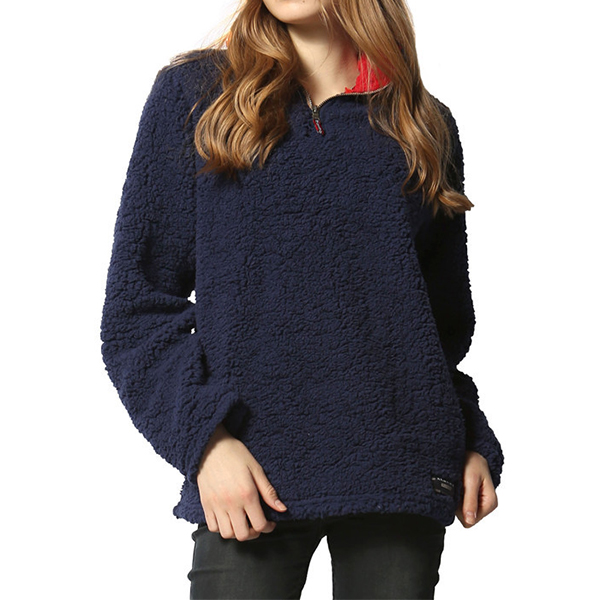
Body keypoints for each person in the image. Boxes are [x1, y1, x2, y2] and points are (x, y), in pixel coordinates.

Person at [100, 1, 504, 598]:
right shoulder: (196, 95)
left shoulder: (423, 124)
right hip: (249, 476)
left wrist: (469, 437)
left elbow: (436, 330)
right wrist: (206, 442)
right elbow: (136, 312)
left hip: (398, 469)